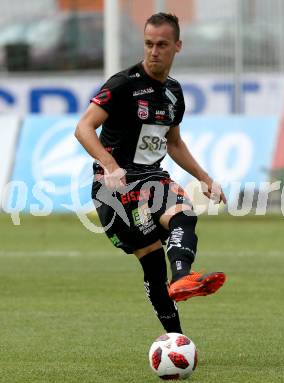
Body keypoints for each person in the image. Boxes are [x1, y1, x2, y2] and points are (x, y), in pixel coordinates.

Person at [75, 13, 227, 334]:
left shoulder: (174, 93)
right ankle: (179, 305)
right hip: (113, 189)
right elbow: (84, 128)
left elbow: (173, 142)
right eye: (148, 44)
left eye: (161, 44)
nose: (153, 51)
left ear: (177, 46)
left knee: (171, 236)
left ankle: (179, 308)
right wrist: (110, 164)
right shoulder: (123, 84)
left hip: (150, 178)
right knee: (167, 240)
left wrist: (204, 177)